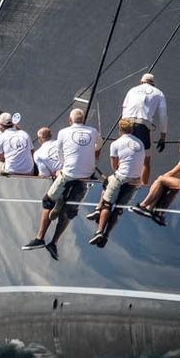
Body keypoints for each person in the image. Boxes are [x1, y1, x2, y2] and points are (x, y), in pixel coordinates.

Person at [23, 108, 101, 260]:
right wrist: (91, 162)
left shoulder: (63, 133)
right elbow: (98, 148)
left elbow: (60, 156)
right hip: (86, 176)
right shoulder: (93, 131)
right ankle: (54, 242)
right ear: (84, 120)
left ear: (70, 120)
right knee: (70, 210)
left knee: (47, 201)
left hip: (68, 174)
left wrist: (68, 166)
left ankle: (40, 238)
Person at [88, 118, 144, 247]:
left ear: (120, 130)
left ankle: (99, 230)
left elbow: (114, 167)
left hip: (121, 177)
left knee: (107, 203)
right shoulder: (140, 143)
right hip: (136, 180)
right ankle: (107, 234)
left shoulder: (116, 144)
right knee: (118, 210)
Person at [132, 139, 180, 218]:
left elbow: (171, 173)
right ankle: (159, 212)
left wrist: (157, 181)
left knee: (161, 179)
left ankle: (143, 205)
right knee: (172, 188)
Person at [122, 73, 167, 185]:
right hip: (143, 125)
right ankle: (142, 186)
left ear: (140, 82)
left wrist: (121, 132)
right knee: (145, 160)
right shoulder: (159, 93)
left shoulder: (132, 90)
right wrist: (163, 136)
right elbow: (163, 116)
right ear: (153, 84)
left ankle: (122, 181)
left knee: (124, 154)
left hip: (126, 124)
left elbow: (124, 110)